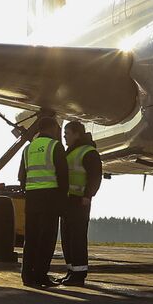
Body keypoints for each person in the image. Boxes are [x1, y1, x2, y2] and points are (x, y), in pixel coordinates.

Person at [19, 112, 68, 288]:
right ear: (53, 128)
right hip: (50, 198)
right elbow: (63, 176)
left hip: (32, 198)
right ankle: (40, 276)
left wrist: (29, 191)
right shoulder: (55, 146)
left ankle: (26, 276)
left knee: (30, 239)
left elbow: (21, 176)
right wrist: (63, 201)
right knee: (46, 239)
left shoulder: (28, 148)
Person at [57, 119, 103, 285]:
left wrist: (87, 195)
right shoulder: (71, 151)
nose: (64, 137)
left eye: (67, 134)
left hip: (79, 201)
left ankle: (79, 275)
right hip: (68, 201)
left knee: (77, 238)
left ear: (77, 134)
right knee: (67, 238)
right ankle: (71, 271)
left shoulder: (88, 152)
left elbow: (95, 176)